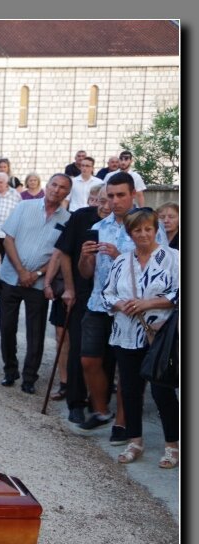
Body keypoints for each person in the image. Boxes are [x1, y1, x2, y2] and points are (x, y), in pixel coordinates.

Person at [76, 172, 167, 437]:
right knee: (89, 360)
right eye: (110, 196)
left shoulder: (149, 225)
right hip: (99, 303)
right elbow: (86, 273)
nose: (114, 201)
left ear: (133, 195)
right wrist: (85, 258)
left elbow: (159, 268)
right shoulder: (100, 226)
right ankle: (101, 411)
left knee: (128, 369)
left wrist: (120, 257)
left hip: (131, 307)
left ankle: (122, 422)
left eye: (120, 195)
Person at [102, 208, 179, 468]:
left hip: (161, 335)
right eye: (137, 230)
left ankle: (172, 445)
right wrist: (120, 304)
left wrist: (149, 303)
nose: (143, 234)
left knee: (162, 391)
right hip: (126, 334)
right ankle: (135, 440)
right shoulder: (122, 261)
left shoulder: (173, 258)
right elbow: (107, 293)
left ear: (156, 230)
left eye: (148, 229)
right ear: (130, 233)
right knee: (130, 390)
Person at [0, 173, 73, 394]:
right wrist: (21, 271)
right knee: (6, 327)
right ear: (47, 185)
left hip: (39, 284)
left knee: (35, 333)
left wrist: (37, 273)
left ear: (68, 193)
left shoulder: (67, 220)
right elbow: (8, 239)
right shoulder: (24, 206)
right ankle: (10, 370)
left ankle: (30, 377)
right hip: (11, 278)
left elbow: (59, 255)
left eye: (62, 188)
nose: (56, 190)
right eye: (54, 185)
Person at [51, 185, 112, 424]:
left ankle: (100, 404)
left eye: (110, 200)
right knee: (78, 348)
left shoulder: (124, 222)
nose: (105, 206)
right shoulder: (81, 217)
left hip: (113, 297)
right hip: (83, 292)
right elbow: (65, 252)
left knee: (107, 352)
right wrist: (69, 288)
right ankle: (75, 402)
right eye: (101, 200)